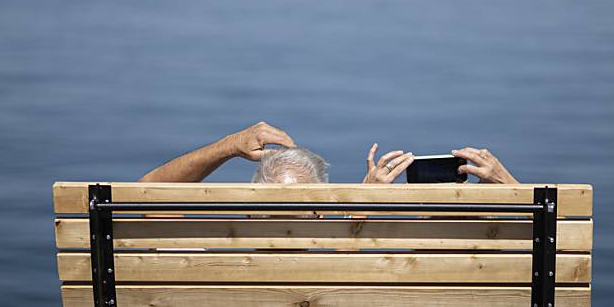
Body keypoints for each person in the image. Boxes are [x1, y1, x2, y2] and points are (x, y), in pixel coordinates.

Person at [139, 121, 519, 184]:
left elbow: (147, 191)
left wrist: (227, 146)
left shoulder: (209, 269)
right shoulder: (355, 273)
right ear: (320, 210)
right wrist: (506, 182)